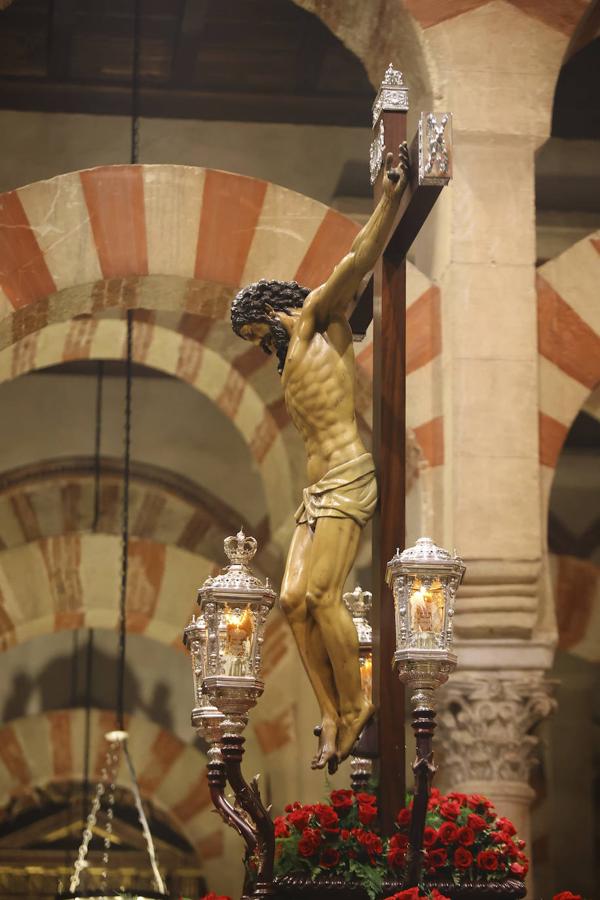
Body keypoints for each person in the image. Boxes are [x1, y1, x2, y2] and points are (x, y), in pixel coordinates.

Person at [231, 145, 410, 771]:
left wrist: (391, 197)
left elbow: (358, 259)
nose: (260, 349)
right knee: (290, 601)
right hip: (315, 494)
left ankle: (357, 704)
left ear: (269, 315)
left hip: (346, 477)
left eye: (256, 336)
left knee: (326, 595)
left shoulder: (316, 319)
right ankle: (332, 710)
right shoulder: (290, 365)